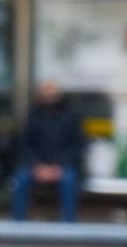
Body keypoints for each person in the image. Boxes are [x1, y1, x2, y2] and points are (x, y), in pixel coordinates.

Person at [9, 80, 85, 223]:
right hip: (37, 166)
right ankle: (17, 224)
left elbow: (78, 146)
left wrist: (59, 166)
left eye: (53, 95)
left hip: (63, 166)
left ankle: (69, 225)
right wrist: (36, 166)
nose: (49, 99)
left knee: (69, 180)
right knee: (20, 179)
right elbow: (24, 144)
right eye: (46, 95)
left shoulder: (72, 115)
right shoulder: (34, 115)